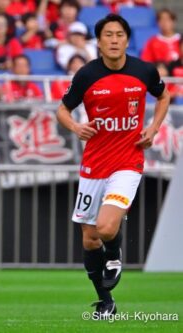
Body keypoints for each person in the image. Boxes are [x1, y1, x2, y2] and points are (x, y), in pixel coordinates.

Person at [56, 14, 170, 316]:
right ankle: (106, 301)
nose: (115, 39)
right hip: (93, 165)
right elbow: (63, 110)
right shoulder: (86, 75)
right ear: (99, 41)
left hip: (128, 162)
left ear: (127, 40)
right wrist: (76, 128)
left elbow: (164, 96)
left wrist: (153, 128)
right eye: (108, 34)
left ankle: (115, 255)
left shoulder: (144, 70)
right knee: (90, 238)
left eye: (120, 34)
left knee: (106, 229)